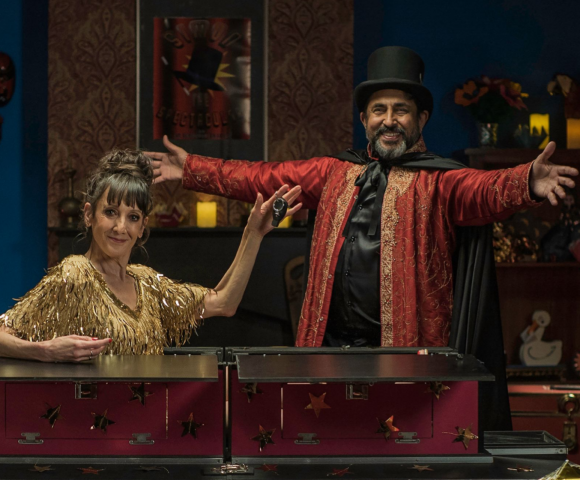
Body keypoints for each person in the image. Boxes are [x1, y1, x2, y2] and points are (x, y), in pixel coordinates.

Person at [147, 46, 578, 432]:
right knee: (330, 444)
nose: (389, 120)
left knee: (407, 453)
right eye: (379, 110)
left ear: (421, 119)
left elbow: (484, 189)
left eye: (401, 110)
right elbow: (263, 176)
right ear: (364, 119)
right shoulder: (333, 172)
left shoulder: (439, 182)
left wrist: (527, 181)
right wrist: (192, 170)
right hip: (330, 349)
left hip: (408, 354)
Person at [0, 149, 302, 362]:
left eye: (132, 217)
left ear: (143, 225)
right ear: (89, 214)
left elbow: (223, 303)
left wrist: (253, 234)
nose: (120, 227)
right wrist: (46, 351)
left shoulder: (147, 283)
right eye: (110, 212)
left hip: (148, 423)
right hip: (94, 426)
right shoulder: (74, 274)